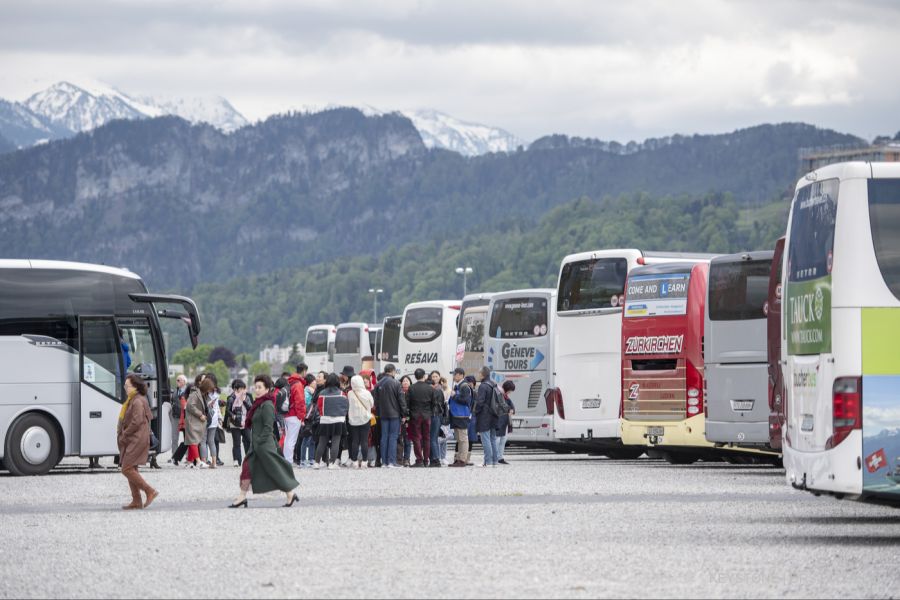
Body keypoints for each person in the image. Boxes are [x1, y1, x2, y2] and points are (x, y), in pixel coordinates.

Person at [229, 374, 300, 508]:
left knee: (275, 470)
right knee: (246, 469)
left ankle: (290, 493)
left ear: (267, 389)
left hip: (264, 446)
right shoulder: (258, 404)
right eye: (255, 387)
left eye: (260, 387)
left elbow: (268, 427)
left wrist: (259, 442)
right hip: (256, 445)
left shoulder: (267, 405)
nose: (256, 390)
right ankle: (242, 496)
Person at [118, 374, 159, 510]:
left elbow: (136, 422)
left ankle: (149, 491)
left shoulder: (137, 401)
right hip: (135, 438)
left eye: (127, 386)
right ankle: (136, 500)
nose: (125, 388)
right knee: (132, 468)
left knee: (127, 468)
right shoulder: (134, 399)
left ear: (135, 386)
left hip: (137, 438)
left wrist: (125, 433)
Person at [373, 364, 405, 469]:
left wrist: (378, 412)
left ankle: (384, 462)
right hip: (394, 414)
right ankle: (392, 461)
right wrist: (404, 413)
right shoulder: (396, 383)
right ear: (393, 371)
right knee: (393, 437)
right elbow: (401, 400)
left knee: (384, 437)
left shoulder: (378, 384)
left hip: (382, 414)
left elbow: (376, 402)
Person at [314, 373, 349, 469]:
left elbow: (319, 407)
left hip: (325, 420)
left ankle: (316, 462)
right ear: (337, 382)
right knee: (336, 442)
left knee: (322, 442)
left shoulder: (322, 393)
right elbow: (346, 407)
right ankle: (332, 463)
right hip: (338, 420)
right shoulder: (342, 394)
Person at [407, 369, 436, 468]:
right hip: (427, 415)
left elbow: (408, 403)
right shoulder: (430, 388)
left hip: (415, 415)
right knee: (427, 437)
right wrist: (430, 412)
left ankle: (419, 460)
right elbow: (434, 403)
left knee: (416, 438)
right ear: (424, 376)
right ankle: (426, 460)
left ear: (415, 377)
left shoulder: (411, 388)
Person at [475, 367, 501, 468]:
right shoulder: (493, 384)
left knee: (485, 439)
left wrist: (475, 412)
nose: (478, 374)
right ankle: (495, 461)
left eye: (479, 373)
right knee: (493, 439)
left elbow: (480, 402)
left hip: (484, 416)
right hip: (494, 414)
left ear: (482, 374)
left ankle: (488, 462)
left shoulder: (483, 386)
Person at [347, 374, 374, 469]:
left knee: (355, 441)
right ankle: (364, 462)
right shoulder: (367, 393)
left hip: (353, 420)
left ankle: (354, 462)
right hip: (365, 419)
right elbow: (371, 404)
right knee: (364, 441)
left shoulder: (350, 393)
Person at [448, 368, 474, 467]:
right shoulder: (458, 386)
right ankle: (458, 459)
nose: (453, 376)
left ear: (461, 375)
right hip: (457, 415)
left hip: (462, 416)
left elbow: (466, 400)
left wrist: (454, 396)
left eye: (455, 374)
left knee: (463, 438)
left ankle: (462, 460)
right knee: (459, 438)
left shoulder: (464, 386)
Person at [225, 380, 253, 466]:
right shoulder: (231, 398)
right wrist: (233, 416)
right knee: (236, 443)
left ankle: (249, 459)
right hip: (235, 424)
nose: (243, 391)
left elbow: (251, 408)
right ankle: (236, 460)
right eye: (240, 389)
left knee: (248, 440)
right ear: (236, 390)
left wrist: (243, 400)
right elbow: (227, 410)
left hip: (245, 423)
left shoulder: (247, 397)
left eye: (243, 389)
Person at [184, 375, 208, 468]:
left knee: (192, 441)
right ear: (199, 382)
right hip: (192, 420)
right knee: (193, 440)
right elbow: (190, 406)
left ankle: (189, 462)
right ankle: (198, 461)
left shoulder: (201, 392)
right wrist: (200, 414)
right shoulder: (194, 393)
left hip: (194, 420)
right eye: (204, 379)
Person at [284, 369, 307, 465]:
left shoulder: (290, 383)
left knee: (287, 439)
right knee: (292, 440)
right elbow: (300, 401)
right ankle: (289, 461)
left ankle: (287, 460)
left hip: (287, 414)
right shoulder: (298, 385)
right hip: (294, 415)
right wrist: (301, 416)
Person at [298, 374, 318, 468]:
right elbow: (305, 405)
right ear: (310, 383)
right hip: (307, 418)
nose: (316, 383)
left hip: (311, 418)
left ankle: (310, 459)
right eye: (314, 382)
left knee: (312, 439)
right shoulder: (307, 392)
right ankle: (303, 460)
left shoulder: (311, 392)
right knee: (306, 439)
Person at [496, 380, 516, 465]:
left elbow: (512, 407)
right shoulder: (499, 395)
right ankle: (495, 457)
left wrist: (512, 410)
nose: (510, 392)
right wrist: (509, 409)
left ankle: (500, 457)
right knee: (497, 440)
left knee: (503, 440)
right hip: (498, 420)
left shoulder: (506, 397)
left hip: (505, 421)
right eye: (510, 390)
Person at [167, 374, 186, 463]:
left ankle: (188, 457)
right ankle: (174, 456)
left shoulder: (187, 391)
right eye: (177, 380)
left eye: (179, 380)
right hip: (175, 417)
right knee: (174, 437)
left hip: (185, 417)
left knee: (187, 438)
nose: (177, 382)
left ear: (184, 382)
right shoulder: (174, 391)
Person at [202, 377, 220, 468]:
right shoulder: (216, 394)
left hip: (205, 419)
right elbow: (217, 407)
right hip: (214, 419)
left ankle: (204, 462)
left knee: (203, 441)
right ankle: (214, 462)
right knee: (211, 441)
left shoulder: (204, 394)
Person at [399, 375, 413, 466]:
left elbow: (413, 407)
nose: (405, 382)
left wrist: (407, 418)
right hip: (399, 419)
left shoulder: (412, 393)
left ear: (410, 383)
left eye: (407, 381)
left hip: (409, 420)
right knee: (400, 440)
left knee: (407, 440)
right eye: (403, 381)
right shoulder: (398, 392)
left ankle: (407, 459)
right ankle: (399, 458)